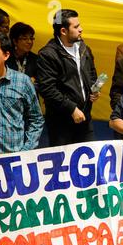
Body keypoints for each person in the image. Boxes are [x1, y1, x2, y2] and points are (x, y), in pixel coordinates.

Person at [37, 9, 99, 147]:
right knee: (64, 165)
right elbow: (47, 89)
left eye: (79, 25)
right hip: (61, 123)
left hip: (85, 117)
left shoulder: (83, 47)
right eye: (76, 27)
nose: (81, 29)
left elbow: (91, 72)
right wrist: (71, 108)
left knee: (89, 160)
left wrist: (93, 90)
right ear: (63, 31)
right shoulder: (48, 54)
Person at [0, 32, 44, 154]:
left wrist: (26, 151)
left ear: (6, 55)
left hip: (13, 162)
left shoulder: (23, 82)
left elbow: (36, 119)